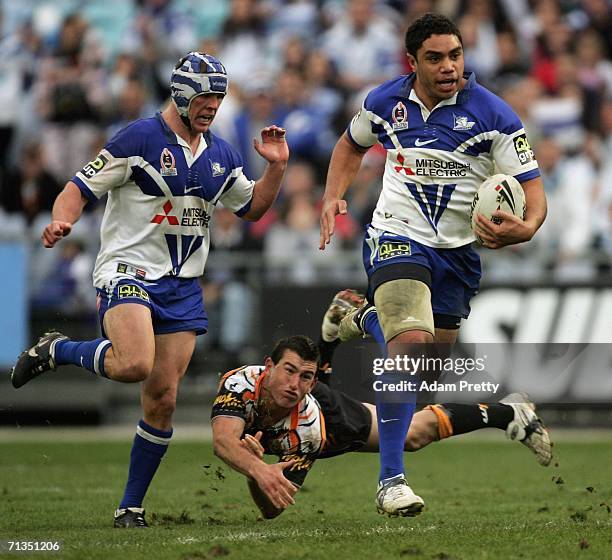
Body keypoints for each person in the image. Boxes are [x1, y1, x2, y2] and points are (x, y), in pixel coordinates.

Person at [10, 52, 289, 528]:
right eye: (204, 96)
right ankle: (59, 350)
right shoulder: (138, 138)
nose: (212, 106)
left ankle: (130, 508)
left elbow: (253, 209)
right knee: (135, 363)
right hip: (129, 270)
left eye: (218, 98)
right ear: (180, 93)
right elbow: (78, 187)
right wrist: (63, 219)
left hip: (181, 285)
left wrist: (277, 169)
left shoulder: (221, 154)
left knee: (163, 399)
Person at [318, 13, 547, 516]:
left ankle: (358, 319)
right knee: (409, 346)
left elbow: (534, 193)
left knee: (420, 379)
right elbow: (350, 145)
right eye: (436, 58)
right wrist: (333, 196)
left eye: (456, 55)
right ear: (413, 62)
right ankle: (391, 483)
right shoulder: (384, 103)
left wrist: (526, 228)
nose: (449, 67)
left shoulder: (496, 117)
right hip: (396, 238)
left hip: (458, 256)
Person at [211, 290, 552, 519]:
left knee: (412, 434)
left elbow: (272, 509)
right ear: (267, 367)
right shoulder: (239, 383)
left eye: (303, 377)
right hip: (313, 403)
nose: (293, 384)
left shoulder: (309, 428)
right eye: (287, 371)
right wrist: (258, 471)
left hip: (334, 421)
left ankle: (508, 413)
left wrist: (261, 473)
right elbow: (223, 441)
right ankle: (329, 341)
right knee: (410, 416)